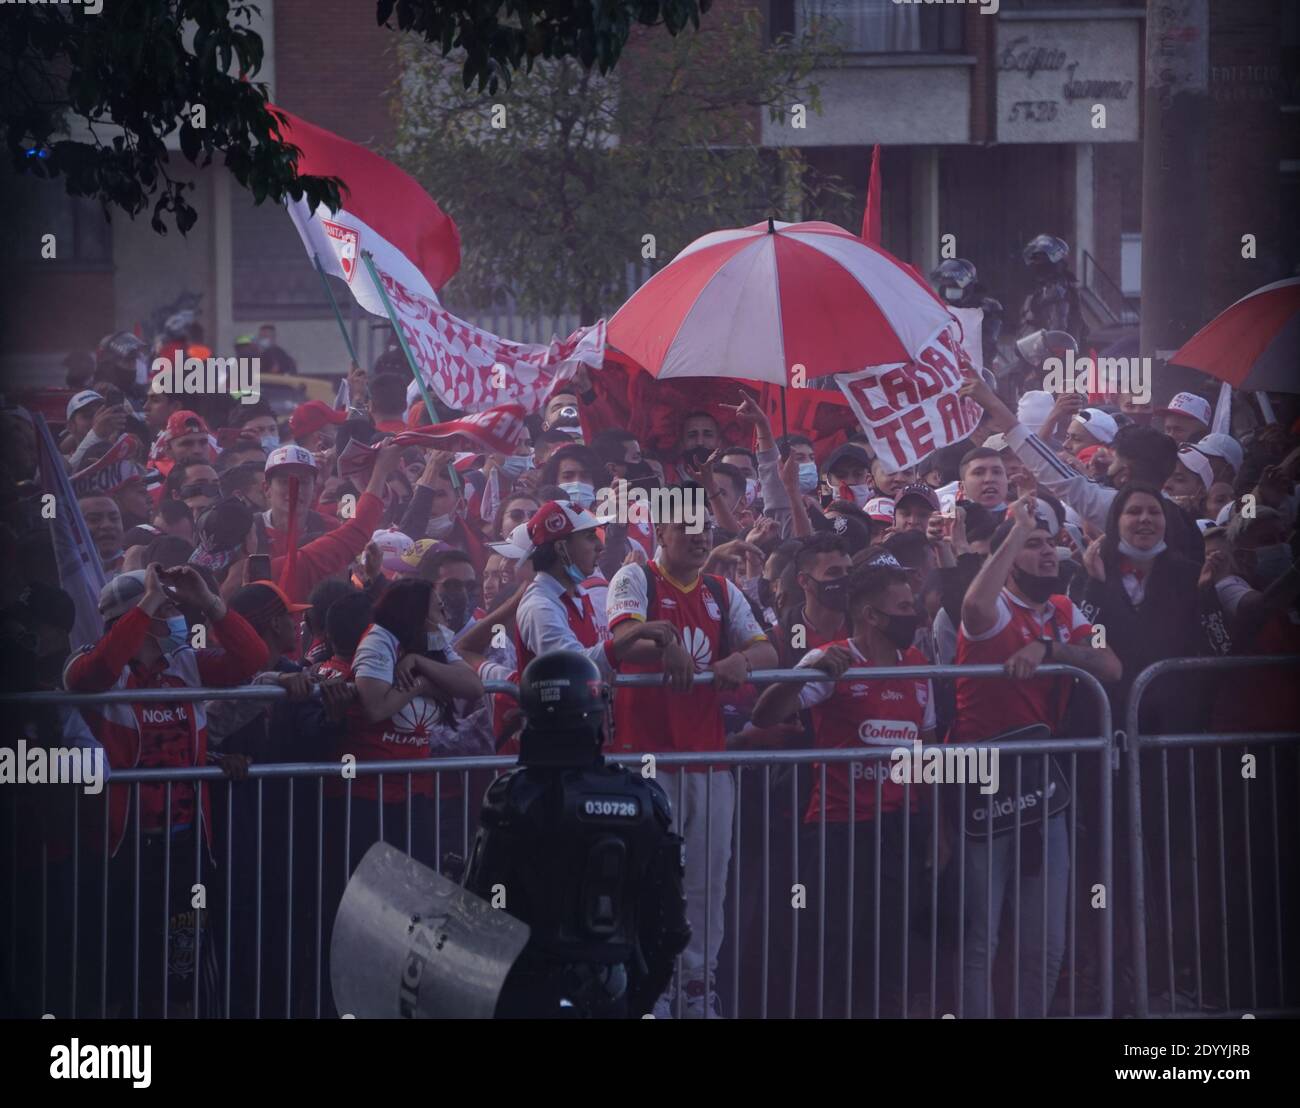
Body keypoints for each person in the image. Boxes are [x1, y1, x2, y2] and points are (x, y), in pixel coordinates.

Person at [63, 563, 269, 1016]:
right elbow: (92, 675)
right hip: (118, 849)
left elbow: (253, 660)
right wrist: (148, 602)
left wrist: (211, 604)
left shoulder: (187, 664)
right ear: (131, 616)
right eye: (167, 608)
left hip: (185, 845)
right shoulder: (91, 663)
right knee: (117, 973)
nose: (175, 617)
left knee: (181, 970)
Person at [953, 495, 1121, 1017]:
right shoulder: (994, 606)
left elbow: (1111, 667)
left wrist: (1050, 649)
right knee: (981, 937)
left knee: (1045, 941)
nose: (1048, 552)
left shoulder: (1064, 611)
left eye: (1051, 543)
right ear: (1007, 557)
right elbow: (975, 607)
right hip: (981, 778)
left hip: (1043, 782)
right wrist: (1014, 530)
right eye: (1033, 546)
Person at [607, 502, 777, 1017]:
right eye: (687, 528)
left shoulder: (723, 591)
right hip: (646, 765)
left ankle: (697, 987)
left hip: (707, 762)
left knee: (707, 880)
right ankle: (649, 988)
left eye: (706, 530)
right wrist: (663, 640)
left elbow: (768, 653)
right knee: (648, 879)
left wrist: (739, 659)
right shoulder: (634, 576)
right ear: (662, 530)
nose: (700, 538)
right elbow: (620, 641)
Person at [462, 650, 691, 1018]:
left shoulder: (514, 796)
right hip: (611, 989)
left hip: (525, 989)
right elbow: (670, 929)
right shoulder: (646, 798)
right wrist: (637, 1000)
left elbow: (481, 907)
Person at [751, 564, 936, 1017]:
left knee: (892, 949)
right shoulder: (834, 658)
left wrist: (938, 830)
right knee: (835, 948)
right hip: (839, 828)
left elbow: (927, 748)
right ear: (873, 616)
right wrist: (804, 674)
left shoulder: (917, 664)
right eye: (905, 607)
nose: (916, 615)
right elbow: (765, 714)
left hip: (901, 829)